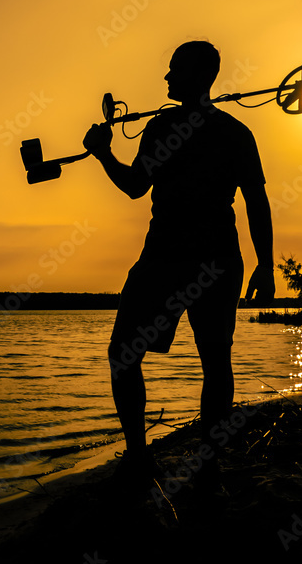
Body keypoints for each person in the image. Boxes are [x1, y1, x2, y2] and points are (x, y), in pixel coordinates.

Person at [82, 40, 275, 488]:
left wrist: (102, 152)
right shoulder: (234, 131)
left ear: (196, 75)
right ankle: (205, 464)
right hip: (217, 259)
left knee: (125, 354)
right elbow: (256, 201)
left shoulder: (165, 127)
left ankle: (139, 457)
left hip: (168, 257)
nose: (166, 78)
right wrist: (264, 264)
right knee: (215, 362)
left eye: (174, 70)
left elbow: (134, 186)